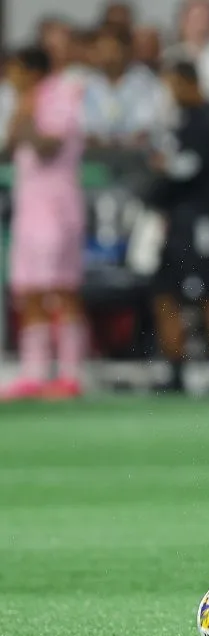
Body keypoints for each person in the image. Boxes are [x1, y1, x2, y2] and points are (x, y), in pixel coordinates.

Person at [1, 47, 87, 401]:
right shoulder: (19, 100)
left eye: (17, 71)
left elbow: (49, 146)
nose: (12, 77)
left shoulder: (61, 95)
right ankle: (34, 373)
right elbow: (7, 150)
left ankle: (70, 374)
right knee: (29, 290)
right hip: (28, 205)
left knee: (62, 288)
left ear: (32, 71)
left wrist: (25, 117)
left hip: (58, 206)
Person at [148, 60, 209, 394]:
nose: (170, 93)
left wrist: (162, 165)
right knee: (165, 292)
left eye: (173, 85)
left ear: (188, 83)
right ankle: (174, 370)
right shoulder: (179, 121)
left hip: (203, 221)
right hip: (177, 221)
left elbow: (190, 167)